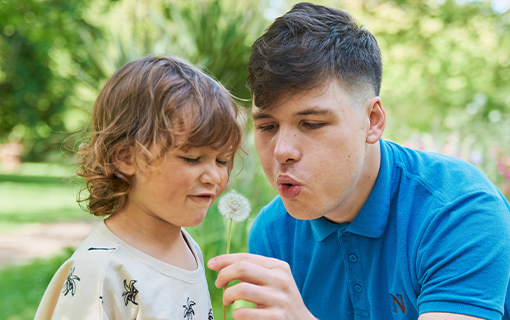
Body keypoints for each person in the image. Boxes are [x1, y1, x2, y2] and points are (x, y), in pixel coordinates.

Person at [208, 2, 510, 319]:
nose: (282, 150)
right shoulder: (272, 232)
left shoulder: (459, 211)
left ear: (373, 120)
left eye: (311, 123)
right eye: (267, 126)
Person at [35, 56, 242, 319]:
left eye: (222, 160)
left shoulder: (188, 247)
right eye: (192, 158)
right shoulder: (101, 271)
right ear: (126, 157)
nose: (214, 176)